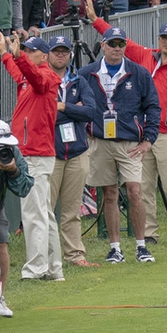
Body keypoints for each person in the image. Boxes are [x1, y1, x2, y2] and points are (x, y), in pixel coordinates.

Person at [87, 5, 167, 246]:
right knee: (143, 186)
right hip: (141, 133)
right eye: (163, 38)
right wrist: (96, 21)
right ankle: (149, 232)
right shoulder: (147, 55)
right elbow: (120, 41)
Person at [77, 27, 161, 264]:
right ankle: (115, 248)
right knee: (110, 193)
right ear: (102, 45)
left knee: (135, 191)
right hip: (100, 141)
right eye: (112, 43)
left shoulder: (139, 73)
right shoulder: (87, 73)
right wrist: (85, 129)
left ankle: (141, 245)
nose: (116, 48)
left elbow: (153, 107)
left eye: (120, 44)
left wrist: (148, 140)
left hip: (130, 142)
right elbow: (75, 103)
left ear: (126, 46)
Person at [0, 33, 62, 282]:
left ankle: (36, 269)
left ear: (42, 56)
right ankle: (53, 268)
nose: (24, 53)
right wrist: (5, 54)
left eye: (28, 51)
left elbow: (32, 75)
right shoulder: (29, 77)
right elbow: (18, 72)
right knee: (43, 212)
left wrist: (15, 56)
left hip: (36, 153)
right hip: (33, 153)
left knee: (34, 213)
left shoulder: (46, 76)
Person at [45, 36, 97, 268]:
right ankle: (46, 257)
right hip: (50, 152)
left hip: (77, 151)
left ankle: (75, 255)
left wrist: (64, 107)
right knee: (46, 209)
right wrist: (73, 110)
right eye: (56, 51)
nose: (60, 55)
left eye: (64, 51)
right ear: (48, 54)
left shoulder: (78, 79)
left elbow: (90, 111)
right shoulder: (41, 79)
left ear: (69, 55)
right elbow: (44, 116)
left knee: (71, 209)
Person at [0, 119, 35, 326]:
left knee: (1, 246)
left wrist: (13, 170)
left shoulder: (12, 153)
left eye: (3, 145)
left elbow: (24, 188)